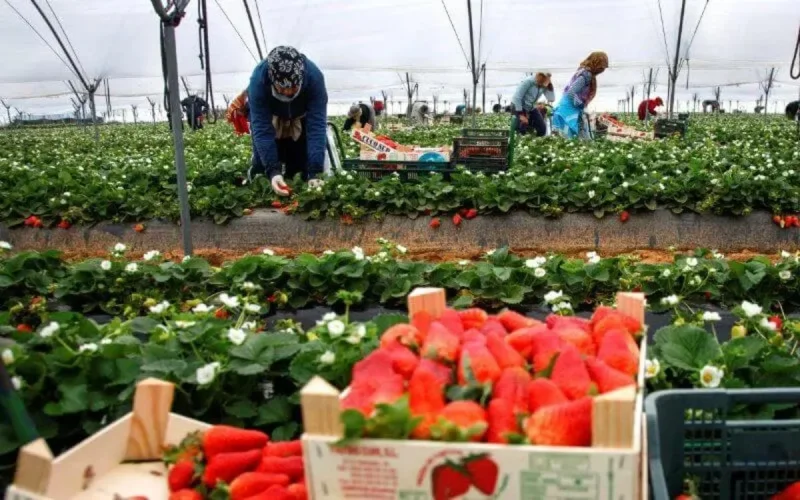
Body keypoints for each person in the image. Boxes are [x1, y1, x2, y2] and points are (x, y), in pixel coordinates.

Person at [248, 46, 328, 195]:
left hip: (299, 118)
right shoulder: (258, 81)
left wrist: (315, 172)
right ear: (272, 80)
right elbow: (261, 129)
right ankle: (263, 183)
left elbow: (316, 127)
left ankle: (298, 184)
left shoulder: (314, 78)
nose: (288, 92)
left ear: (301, 78)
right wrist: (273, 171)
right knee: (263, 167)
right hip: (272, 118)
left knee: (299, 166)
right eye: (282, 87)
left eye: (294, 86)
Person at [552, 51, 609, 139]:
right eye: (601, 67)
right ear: (596, 64)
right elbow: (571, 92)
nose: (602, 70)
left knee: (582, 137)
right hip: (567, 112)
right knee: (570, 139)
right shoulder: (586, 75)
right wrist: (580, 104)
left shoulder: (583, 71)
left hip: (570, 110)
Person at [511, 72, 555, 136]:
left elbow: (551, 98)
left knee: (542, 129)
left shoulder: (544, 84)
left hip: (531, 108)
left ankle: (536, 140)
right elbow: (517, 98)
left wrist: (550, 86)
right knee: (521, 128)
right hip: (518, 106)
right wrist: (521, 115)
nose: (543, 86)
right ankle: (520, 138)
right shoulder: (528, 81)